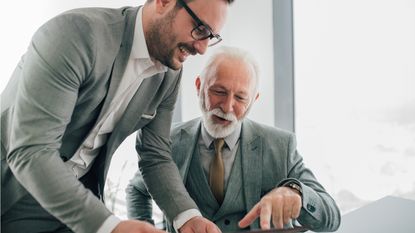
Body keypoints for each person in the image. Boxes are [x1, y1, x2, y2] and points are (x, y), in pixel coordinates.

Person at [0, 0, 234, 232]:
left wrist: (187, 216)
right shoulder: (75, 34)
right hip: (12, 186)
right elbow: (32, 151)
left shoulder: (169, 73)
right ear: (164, 2)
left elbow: (155, 155)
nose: (202, 48)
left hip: (75, 205)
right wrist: (110, 226)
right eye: (200, 29)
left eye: (211, 37)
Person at [126, 46, 341, 232]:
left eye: (240, 97)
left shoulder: (281, 147)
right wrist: (146, 228)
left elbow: (331, 217)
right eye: (219, 91)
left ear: (254, 100)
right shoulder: (168, 141)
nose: (227, 107)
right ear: (199, 85)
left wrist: (297, 194)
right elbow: (137, 190)